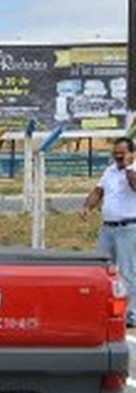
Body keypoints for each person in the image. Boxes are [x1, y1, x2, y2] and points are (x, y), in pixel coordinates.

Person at [80, 137, 136, 326]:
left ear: (131, 153)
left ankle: (129, 314)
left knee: (127, 273)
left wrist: (129, 167)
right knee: (102, 270)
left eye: (122, 153)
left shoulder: (134, 169)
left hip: (128, 228)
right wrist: (88, 207)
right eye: (115, 153)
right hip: (107, 229)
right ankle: (104, 309)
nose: (118, 156)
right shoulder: (109, 171)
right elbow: (98, 191)